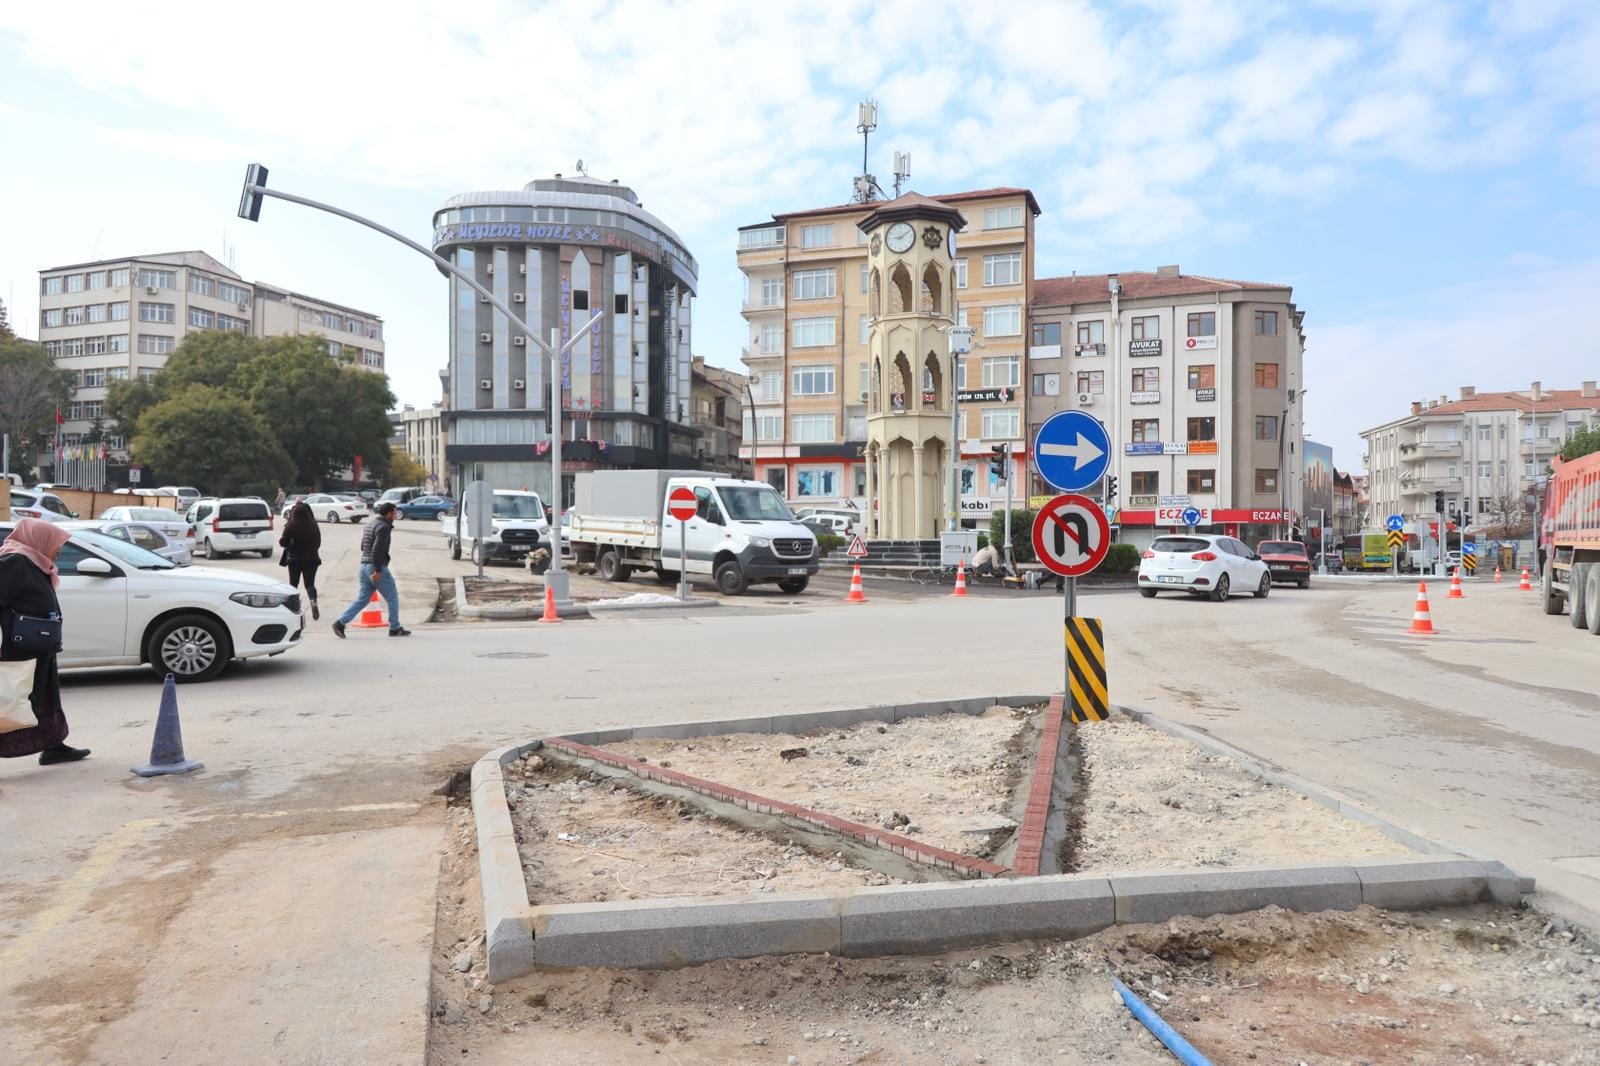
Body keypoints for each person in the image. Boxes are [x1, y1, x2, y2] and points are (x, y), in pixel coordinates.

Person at [0, 519, 90, 765]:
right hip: (18, 650)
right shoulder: (16, 562)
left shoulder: (35, 562)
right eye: (57, 544)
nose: (59, 549)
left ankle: (54, 745)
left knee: (46, 698)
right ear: (38, 539)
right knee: (11, 704)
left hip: (37, 645)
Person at [331, 501, 409, 638]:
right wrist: (378, 570)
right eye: (394, 512)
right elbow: (377, 550)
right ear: (389, 513)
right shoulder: (384, 527)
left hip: (363, 566)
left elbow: (363, 546)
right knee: (392, 596)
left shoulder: (370, 524)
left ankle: (340, 623)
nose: (396, 515)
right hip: (375, 566)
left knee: (362, 599)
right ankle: (395, 627)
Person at [279, 501, 323, 620]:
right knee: (310, 584)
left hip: (295, 559)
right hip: (312, 559)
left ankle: (292, 607)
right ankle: (313, 601)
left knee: (293, 583)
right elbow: (318, 542)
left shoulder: (291, 525)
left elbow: (283, 542)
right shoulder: (313, 524)